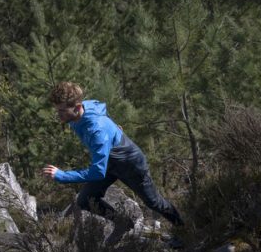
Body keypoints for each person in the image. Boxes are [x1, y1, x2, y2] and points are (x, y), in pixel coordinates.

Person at [42, 82, 183, 240]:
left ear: (77, 107)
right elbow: (100, 107)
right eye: (57, 110)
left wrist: (62, 175)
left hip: (130, 164)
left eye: (62, 110)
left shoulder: (96, 130)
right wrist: (114, 128)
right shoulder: (81, 111)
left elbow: (97, 172)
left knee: (154, 202)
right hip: (110, 161)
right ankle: (123, 223)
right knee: (85, 200)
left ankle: (183, 230)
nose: (58, 115)